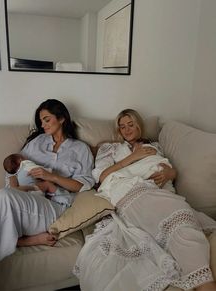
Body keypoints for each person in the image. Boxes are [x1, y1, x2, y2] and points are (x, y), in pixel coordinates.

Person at [75, 109, 216, 291]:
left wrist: (169, 173)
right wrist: (134, 157)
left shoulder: (154, 146)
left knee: (182, 218)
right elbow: (103, 177)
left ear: (139, 125)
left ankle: (201, 277)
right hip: (131, 192)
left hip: (161, 192)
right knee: (177, 225)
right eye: (122, 126)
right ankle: (204, 282)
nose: (126, 130)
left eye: (130, 124)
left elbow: (166, 166)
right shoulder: (111, 149)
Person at [0, 99, 95, 286]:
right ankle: (24, 240)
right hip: (24, 197)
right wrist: (14, 184)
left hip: (55, 206)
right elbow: (14, 169)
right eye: (41, 121)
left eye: (47, 119)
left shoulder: (80, 149)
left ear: (62, 118)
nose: (42, 125)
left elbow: (83, 185)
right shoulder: (37, 142)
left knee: (3, 198)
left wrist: (53, 177)